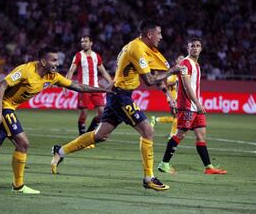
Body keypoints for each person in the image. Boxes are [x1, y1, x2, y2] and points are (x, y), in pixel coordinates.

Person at [0, 46, 112, 194]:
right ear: (43, 61)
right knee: (23, 143)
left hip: (6, 108)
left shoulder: (53, 77)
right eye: (54, 60)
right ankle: (18, 186)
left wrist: (101, 90)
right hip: (1, 107)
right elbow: (1, 85)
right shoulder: (26, 70)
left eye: (58, 60)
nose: (58, 63)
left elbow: (77, 86)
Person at [51, 19, 181, 191]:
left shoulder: (134, 46)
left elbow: (125, 72)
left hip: (116, 94)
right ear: (150, 34)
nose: (161, 37)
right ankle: (149, 177)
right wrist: (172, 71)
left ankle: (60, 152)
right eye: (159, 33)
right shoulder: (137, 49)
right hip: (121, 97)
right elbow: (149, 80)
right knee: (147, 131)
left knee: (100, 135)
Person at [157, 37, 227, 174]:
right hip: (188, 105)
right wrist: (198, 103)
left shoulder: (197, 65)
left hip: (195, 106)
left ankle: (208, 167)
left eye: (198, 45)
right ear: (187, 48)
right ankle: (163, 164)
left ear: (201, 48)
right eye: (192, 45)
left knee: (201, 135)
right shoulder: (185, 64)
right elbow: (187, 86)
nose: (195, 47)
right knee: (180, 134)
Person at [66, 35, 112, 137]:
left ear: (91, 43)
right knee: (84, 114)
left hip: (96, 88)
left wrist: (111, 83)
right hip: (83, 89)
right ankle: (81, 135)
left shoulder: (96, 56)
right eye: (82, 42)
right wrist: (65, 84)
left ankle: (88, 135)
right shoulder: (78, 56)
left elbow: (103, 71)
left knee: (102, 113)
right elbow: (71, 70)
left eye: (86, 41)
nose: (84, 43)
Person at [150, 55, 185, 139]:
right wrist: (177, 81)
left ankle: (156, 119)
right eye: (180, 59)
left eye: (183, 59)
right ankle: (172, 135)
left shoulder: (181, 73)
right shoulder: (172, 73)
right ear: (176, 61)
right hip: (172, 98)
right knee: (177, 117)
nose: (182, 60)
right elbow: (168, 83)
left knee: (175, 118)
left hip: (178, 98)